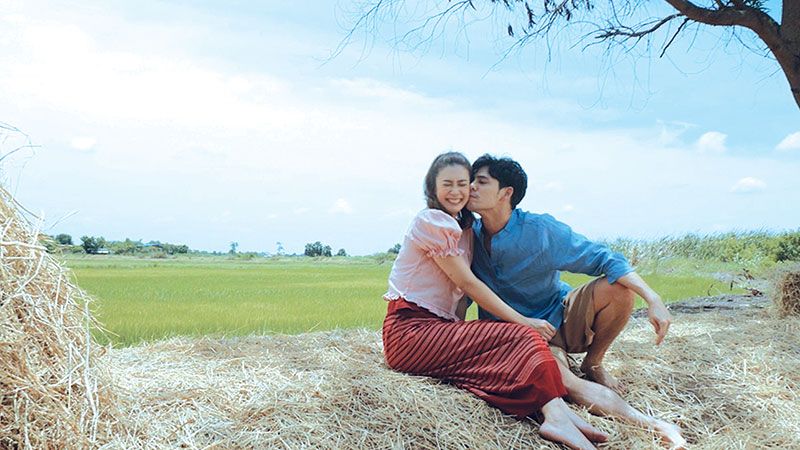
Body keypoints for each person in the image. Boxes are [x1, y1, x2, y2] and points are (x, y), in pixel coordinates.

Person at [382, 152, 608, 450]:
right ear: (432, 187)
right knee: (523, 334)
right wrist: (524, 320)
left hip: (436, 331)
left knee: (509, 357)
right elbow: (467, 283)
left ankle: (558, 413)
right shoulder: (431, 221)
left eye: (463, 183)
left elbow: (459, 299)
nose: (457, 191)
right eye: (447, 184)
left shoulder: (464, 230)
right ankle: (556, 416)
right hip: (410, 331)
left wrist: (461, 333)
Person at [467, 154, 685, 448]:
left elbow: (605, 259)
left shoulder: (540, 230)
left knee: (619, 289)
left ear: (506, 193)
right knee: (569, 386)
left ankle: (593, 363)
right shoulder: (467, 235)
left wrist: (653, 298)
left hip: (559, 315)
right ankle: (655, 425)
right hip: (521, 337)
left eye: (481, 182)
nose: (471, 187)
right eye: (472, 181)